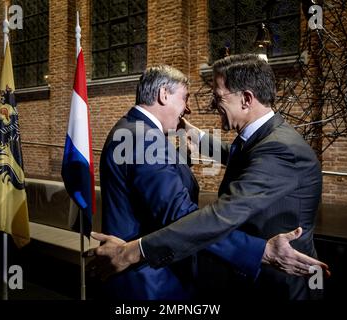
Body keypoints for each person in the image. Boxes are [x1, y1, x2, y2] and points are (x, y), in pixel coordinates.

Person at [94, 60, 329, 300]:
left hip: (284, 281)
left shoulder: (278, 147)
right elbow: (235, 158)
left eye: (218, 96)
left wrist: (133, 250)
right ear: (164, 94)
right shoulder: (144, 137)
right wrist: (196, 136)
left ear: (247, 99)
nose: (203, 106)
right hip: (153, 282)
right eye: (185, 98)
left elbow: (220, 214)